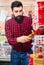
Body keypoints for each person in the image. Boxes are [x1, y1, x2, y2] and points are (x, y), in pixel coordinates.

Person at [5, 1, 33, 65]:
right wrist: (18, 39)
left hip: (28, 52)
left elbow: (36, 31)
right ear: (12, 12)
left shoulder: (29, 20)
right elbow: (9, 40)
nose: (19, 13)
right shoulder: (8, 23)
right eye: (16, 11)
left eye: (20, 11)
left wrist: (40, 29)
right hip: (15, 53)